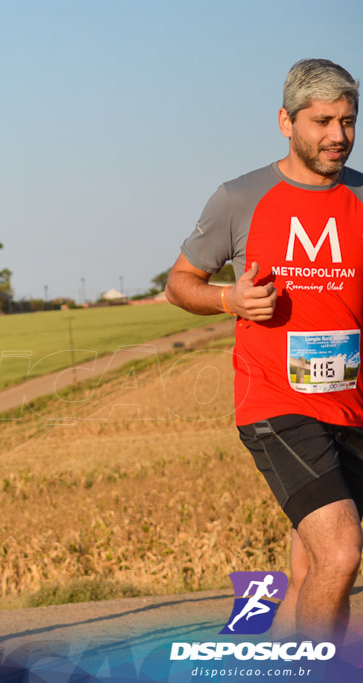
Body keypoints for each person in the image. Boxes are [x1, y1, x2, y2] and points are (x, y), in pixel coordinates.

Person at [166, 58, 361, 643]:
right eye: (323, 121)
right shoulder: (240, 197)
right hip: (277, 404)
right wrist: (230, 299)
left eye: (349, 121)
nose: (338, 136)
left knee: (310, 567)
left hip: (349, 405)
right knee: (343, 551)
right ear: (286, 121)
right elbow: (179, 282)